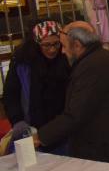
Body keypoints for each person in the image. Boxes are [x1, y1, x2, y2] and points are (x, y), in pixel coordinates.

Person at [34, 22, 109, 167]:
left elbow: (76, 114)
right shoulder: (101, 58)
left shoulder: (93, 66)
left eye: (64, 46)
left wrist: (41, 136)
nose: (62, 52)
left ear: (77, 45)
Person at [1, 20, 70, 155]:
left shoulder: (67, 57)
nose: (52, 49)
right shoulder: (23, 62)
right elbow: (11, 93)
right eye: (46, 45)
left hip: (64, 130)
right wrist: (17, 120)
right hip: (33, 128)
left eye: (56, 44)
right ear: (37, 43)